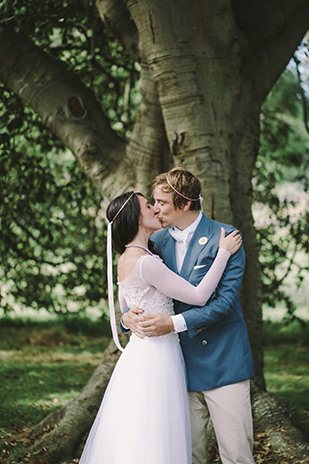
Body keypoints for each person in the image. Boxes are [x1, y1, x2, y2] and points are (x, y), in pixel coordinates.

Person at [79, 190, 242, 464]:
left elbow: (126, 304)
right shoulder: (146, 262)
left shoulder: (131, 257)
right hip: (157, 357)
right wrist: (223, 254)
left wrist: (127, 318)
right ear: (136, 218)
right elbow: (199, 296)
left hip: (142, 354)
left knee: (142, 431)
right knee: (157, 433)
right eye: (148, 206)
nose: (155, 209)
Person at [122, 167, 255, 464]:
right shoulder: (156, 244)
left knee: (236, 455)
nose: (155, 209)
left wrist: (173, 323)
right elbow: (136, 288)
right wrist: (126, 318)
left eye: (162, 202)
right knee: (185, 455)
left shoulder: (226, 237)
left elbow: (224, 303)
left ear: (184, 204)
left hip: (224, 363)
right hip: (177, 369)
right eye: (153, 202)